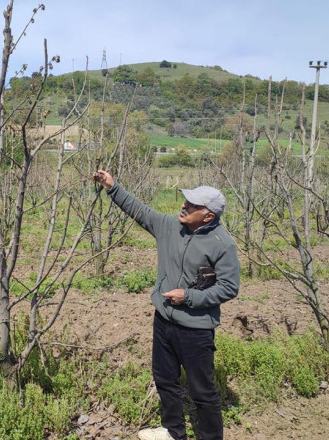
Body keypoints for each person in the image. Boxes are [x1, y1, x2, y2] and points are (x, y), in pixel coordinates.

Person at [92, 170, 239, 440]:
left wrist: (189, 297)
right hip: (164, 321)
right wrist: (112, 187)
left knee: (202, 391)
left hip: (195, 329)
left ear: (209, 216)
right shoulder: (170, 226)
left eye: (193, 205)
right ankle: (173, 431)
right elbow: (139, 210)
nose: (184, 206)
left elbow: (229, 287)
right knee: (165, 379)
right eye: (185, 201)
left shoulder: (222, 244)